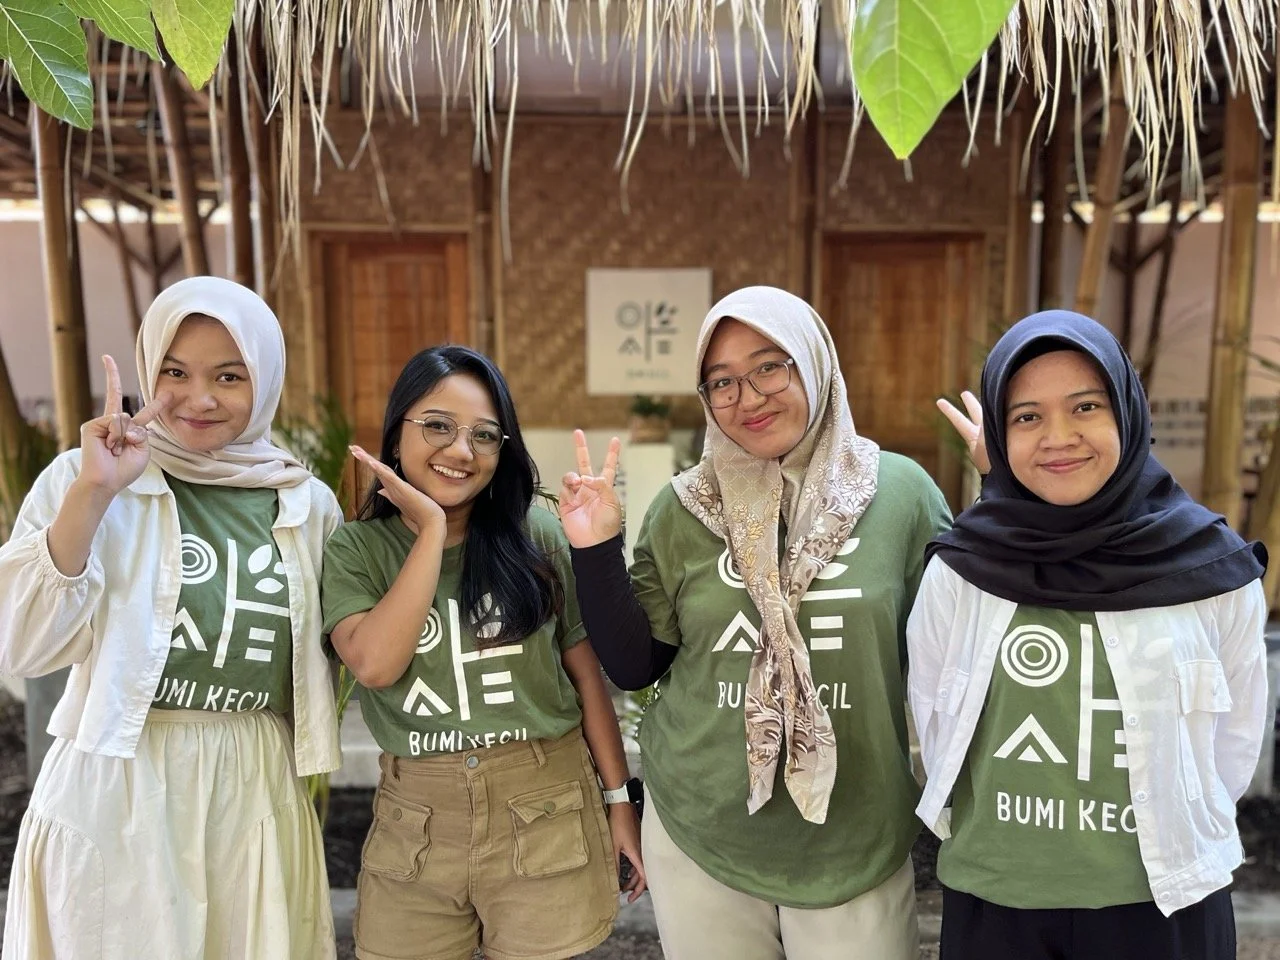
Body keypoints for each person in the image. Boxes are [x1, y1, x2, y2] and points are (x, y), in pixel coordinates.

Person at [560, 286, 952, 960]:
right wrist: (594, 549)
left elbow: (958, 653)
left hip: (852, 826)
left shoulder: (901, 494)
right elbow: (635, 665)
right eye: (722, 381)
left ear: (815, 363)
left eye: (771, 366)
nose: (749, 395)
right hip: (703, 825)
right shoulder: (683, 508)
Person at [907, 310, 1268, 960]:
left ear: (1126, 413)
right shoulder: (961, 570)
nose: (1059, 437)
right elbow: (934, 721)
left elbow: (1233, 745)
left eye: (1084, 407)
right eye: (1027, 417)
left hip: (1163, 906)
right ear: (1000, 432)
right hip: (996, 903)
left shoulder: (1213, 569)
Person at [0, 276, 342, 959]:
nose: (200, 398)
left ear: (265, 380)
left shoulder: (307, 504)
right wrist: (93, 494)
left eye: (229, 375)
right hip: (116, 786)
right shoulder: (89, 476)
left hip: (252, 789)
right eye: (175, 373)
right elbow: (24, 645)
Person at [320, 344, 645, 960]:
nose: (462, 451)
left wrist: (620, 803)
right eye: (438, 426)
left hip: (543, 806)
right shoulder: (356, 551)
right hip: (416, 824)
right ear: (396, 436)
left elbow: (586, 682)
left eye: (485, 435)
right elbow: (375, 664)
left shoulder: (537, 536)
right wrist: (432, 534)